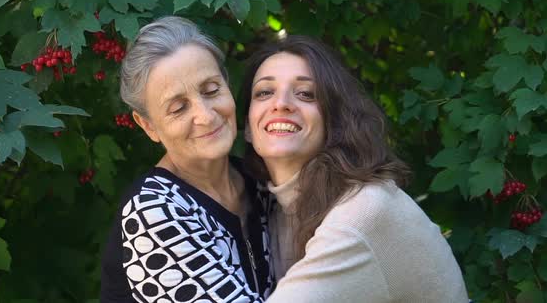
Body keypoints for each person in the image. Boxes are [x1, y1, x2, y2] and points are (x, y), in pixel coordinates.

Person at [243, 35, 468, 302]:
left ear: (335, 119)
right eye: (264, 93)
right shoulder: (272, 209)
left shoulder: (362, 213)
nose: (281, 104)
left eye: (306, 94)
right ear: (246, 125)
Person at [100, 16, 273, 303]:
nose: (205, 116)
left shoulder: (260, 181)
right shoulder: (154, 212)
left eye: (211, 90)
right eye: (178, 108)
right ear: (148, 126)